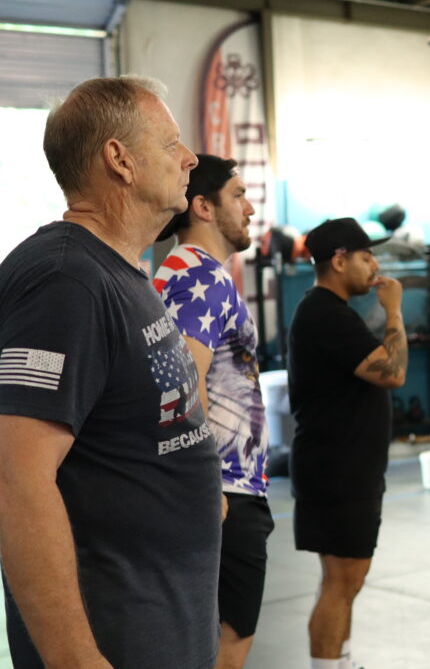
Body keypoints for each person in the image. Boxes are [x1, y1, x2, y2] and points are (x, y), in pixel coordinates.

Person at [0, 76, 221, 668]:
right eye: (171, 142)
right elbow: (14, 479)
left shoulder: (119, 274)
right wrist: (74, 658)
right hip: (114, 641)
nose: (190, 158)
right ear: (119, 160)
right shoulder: (66, 281)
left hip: (165, 624)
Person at [153, 154, 274, 669]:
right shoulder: (199, 277)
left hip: (223, 486)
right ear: (202, 206)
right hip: (224, 488)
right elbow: (183, 386)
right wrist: (203, 481)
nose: (249, 208)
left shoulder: (186, 273)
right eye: (238, 195)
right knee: (229, 638)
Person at [287, 217, 407, 669]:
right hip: (336, 471)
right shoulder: (324, 313)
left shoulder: (332, 312)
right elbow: (393, 372)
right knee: (342, 580)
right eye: (365, 256)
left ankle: (342, 661)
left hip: (348, 467)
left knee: (347, 579)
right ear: (339, 260)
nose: (374, 265)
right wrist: (394, 310)